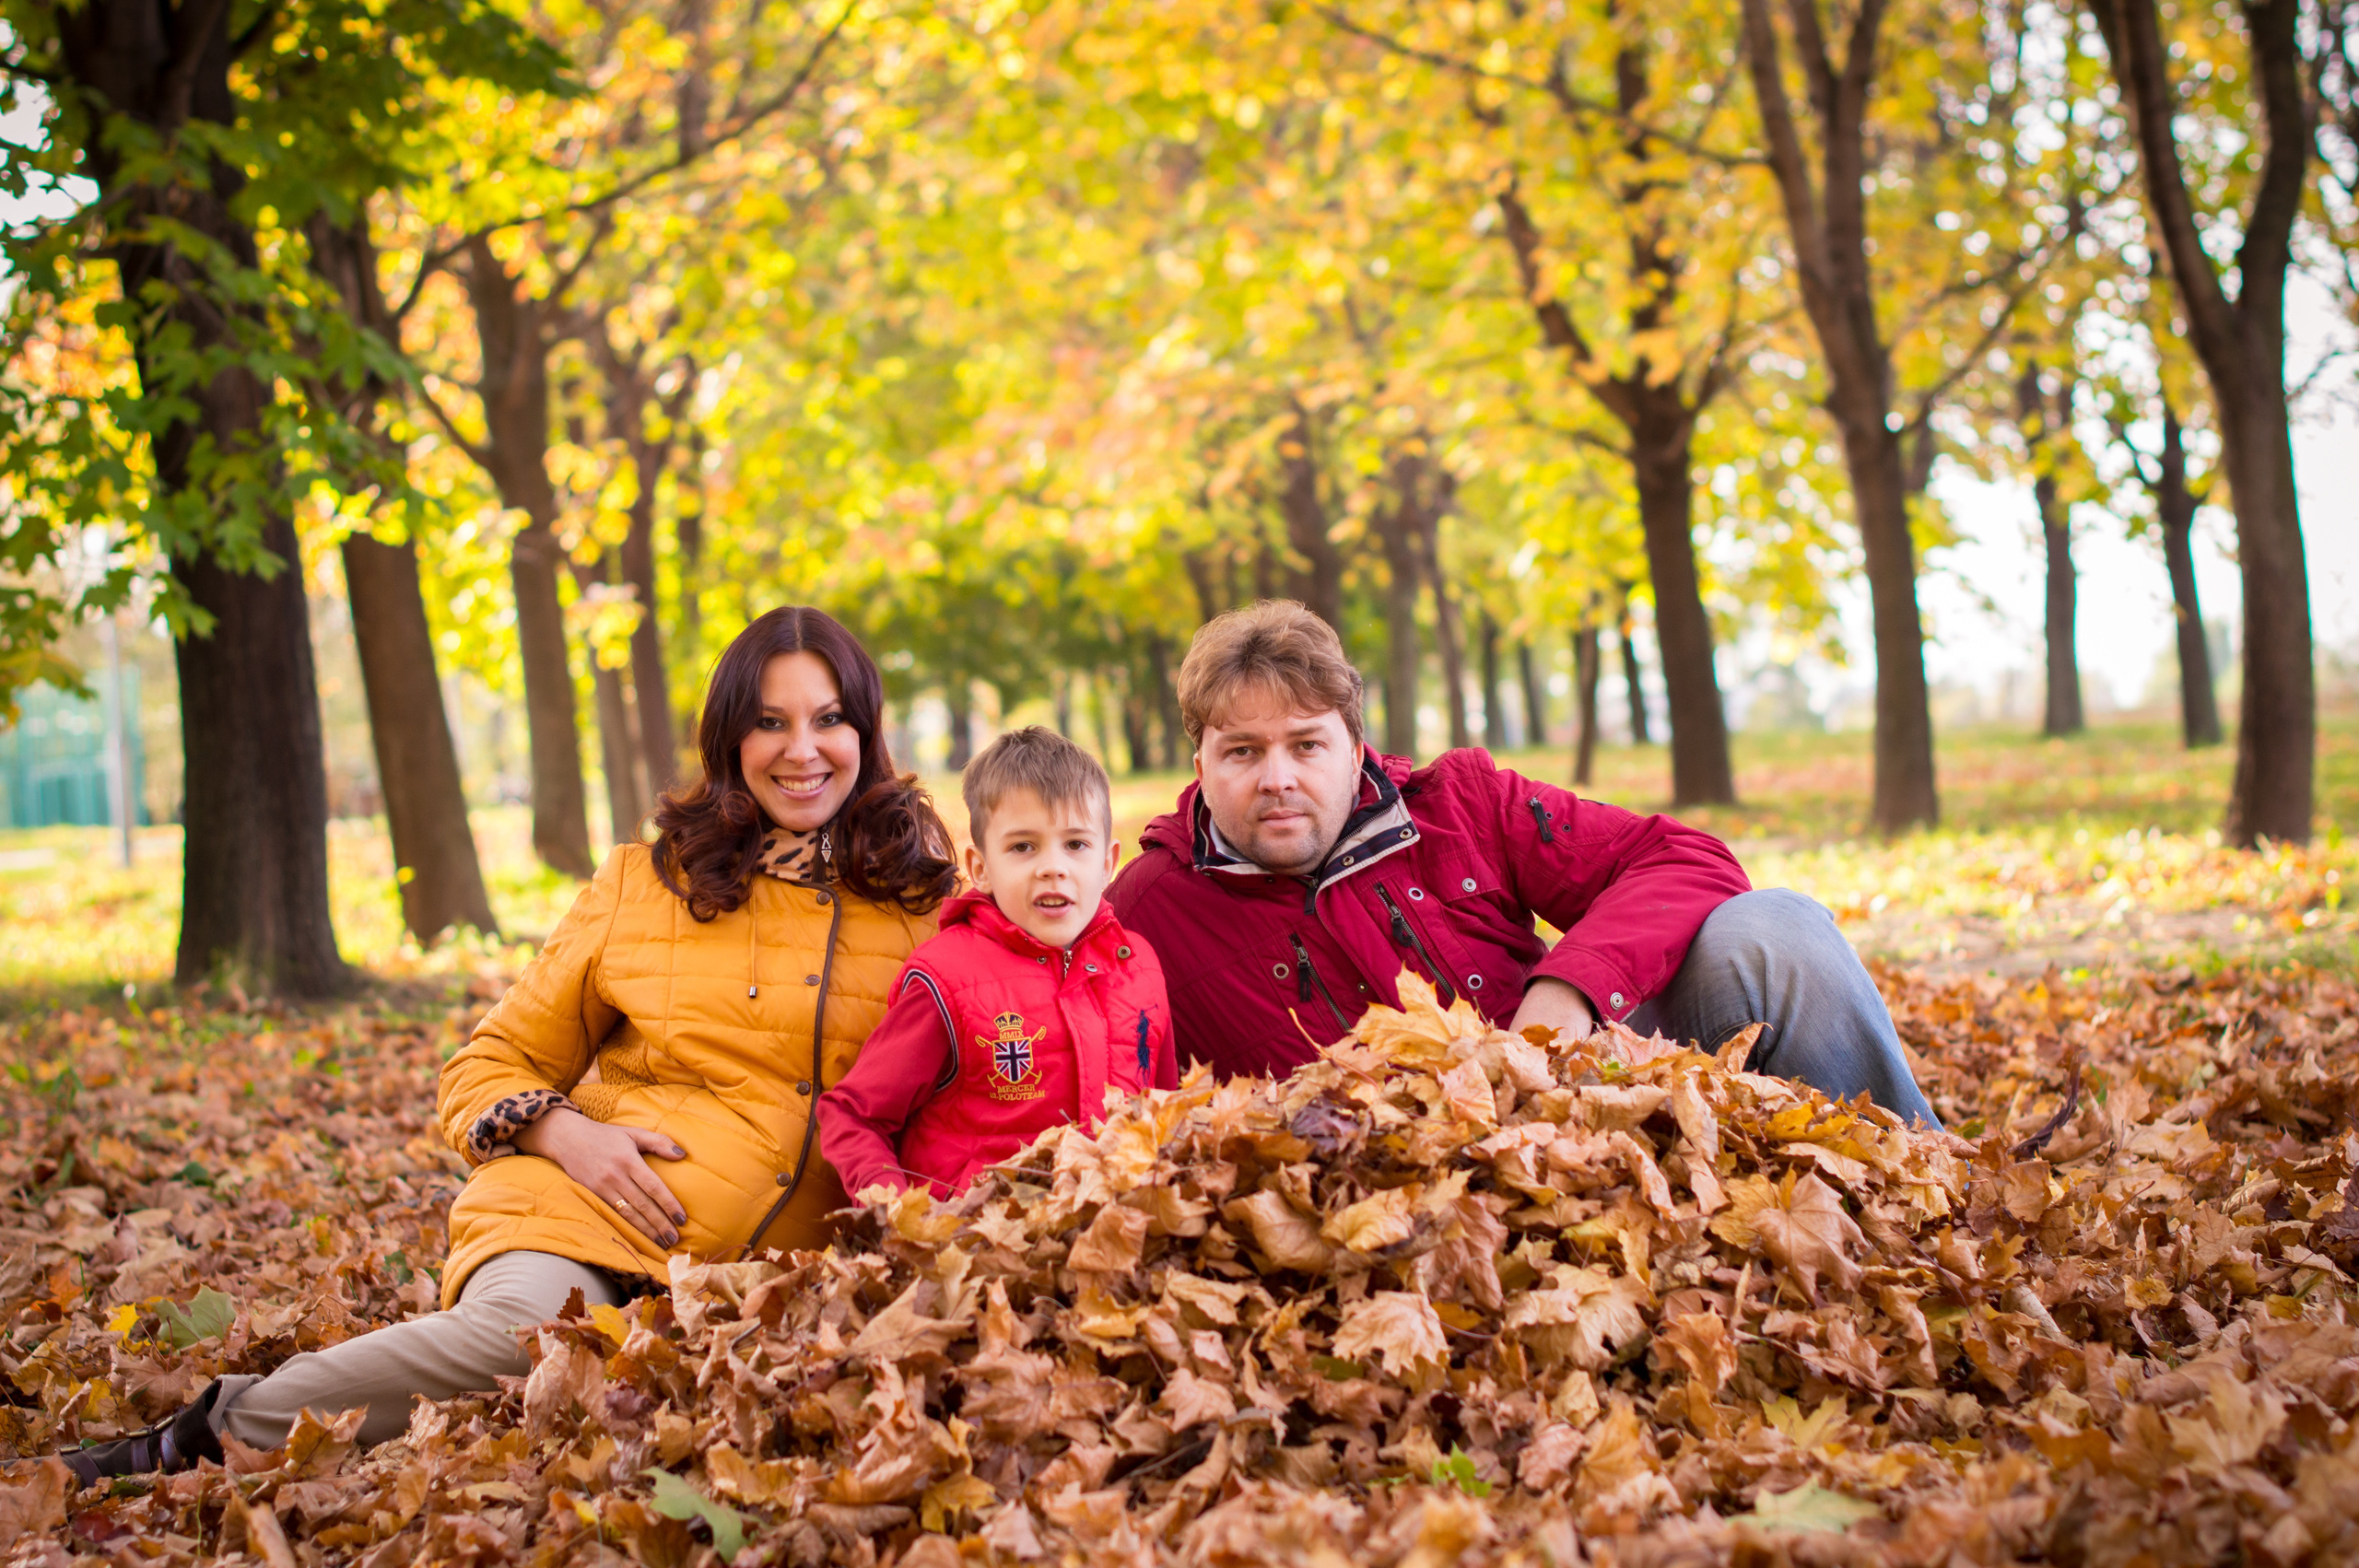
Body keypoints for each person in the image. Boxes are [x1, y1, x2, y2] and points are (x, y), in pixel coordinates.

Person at [62, 606, 957, 1484]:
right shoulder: (646, 887)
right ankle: (202, 1434)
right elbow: (485, 1066)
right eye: (770, 722)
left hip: (768, 1287)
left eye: (827, 719)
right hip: (579, 1222)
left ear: (864, 733)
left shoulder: (926, 912)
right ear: (730, 738)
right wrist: (567, 1134)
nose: (802, 749)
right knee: (525, 1340)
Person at [1107, 601, 1940, 1126]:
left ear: (1355, 750)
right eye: (1243, 751)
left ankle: (1928, 1187)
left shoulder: (1460, 806)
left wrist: (1570, 989)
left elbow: (1684, 857)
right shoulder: (1148, 911)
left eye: (1306, 745)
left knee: (1775, 929)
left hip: (1592, 1103)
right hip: (1389, 1211)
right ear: (1200, 763)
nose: (1278, 778)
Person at [819, 728, 1176, 1198]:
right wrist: (900, 1218)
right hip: (976, 1237)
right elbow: (854, 1116)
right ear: (980, 867)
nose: (1053, 867)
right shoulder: (946, 980)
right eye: (1023, 847)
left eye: (1075, 844)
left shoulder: (1140, 968)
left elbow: (1168, 1114)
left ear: (1109, 862)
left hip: (1114, 1230)